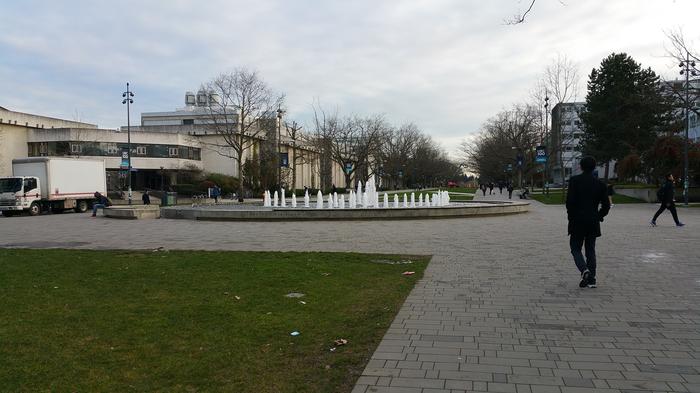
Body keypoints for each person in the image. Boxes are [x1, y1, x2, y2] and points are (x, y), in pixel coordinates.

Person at [566, 156, 611, 289]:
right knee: (590, 249)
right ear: (594, 167)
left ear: (580, 166)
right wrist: (599, 216)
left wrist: (571, 216)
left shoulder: (574, 181)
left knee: (575, 248)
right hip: (592, 220)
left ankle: (584, 269)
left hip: (577, 220)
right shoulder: (600, 184)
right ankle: (592, 279)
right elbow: (606, 205)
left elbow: (570, 202)